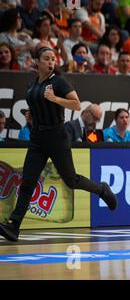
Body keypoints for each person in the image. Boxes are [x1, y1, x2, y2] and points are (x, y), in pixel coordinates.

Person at [0, 47, 117, 242]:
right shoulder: (33, 84)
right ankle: (14, 226)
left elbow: (77, 104)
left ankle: (102, 189)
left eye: (53, 59)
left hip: (56, 136)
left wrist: (55, 99)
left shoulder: (58, 81)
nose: (51, 62)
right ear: (36, 61)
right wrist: (32, 115)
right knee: (27, 181)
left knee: (71, 180)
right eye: (46, 59)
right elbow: (38, 106)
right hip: (37, 137)